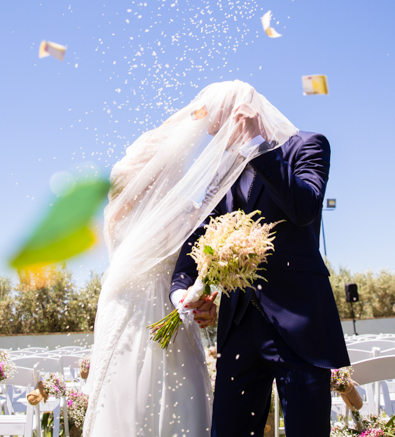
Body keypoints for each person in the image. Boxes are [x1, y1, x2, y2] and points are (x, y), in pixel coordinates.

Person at [83, 81, 300, 437]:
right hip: (142, 308)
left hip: (152, 305)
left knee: (140, 398)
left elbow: (194, 264)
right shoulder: (182, 212)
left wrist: (201, 294)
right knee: (144, 394)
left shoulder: (138, 214)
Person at [170, 91, 350, 437]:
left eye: (218, 128)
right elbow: (198, 239)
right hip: (239, 325)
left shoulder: (307, 145)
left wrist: (256, 144)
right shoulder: (222, 172)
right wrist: (183, 293)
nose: (215, 139)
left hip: (300, 319)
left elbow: (304, 207)